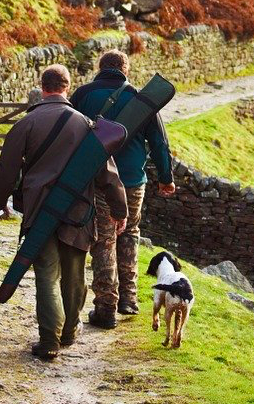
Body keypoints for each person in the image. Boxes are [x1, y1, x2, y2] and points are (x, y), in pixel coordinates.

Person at [0, 64, 128, 360]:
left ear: (43, 87)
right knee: (75, 276)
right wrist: (120, 210)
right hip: (78, 212)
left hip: (39, 211)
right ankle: (68, 332)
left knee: (46, 275)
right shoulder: (87, 125)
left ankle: (49, 340)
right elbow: (108, 174)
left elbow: (7, 169)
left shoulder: (26, 123)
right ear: (67, 87)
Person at [69, 50, 175, 328]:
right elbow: (160, 143)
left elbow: (68, 134)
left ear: (100, 67)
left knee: (104, 239)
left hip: (97, 179)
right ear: (125, 70)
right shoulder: (141, 100)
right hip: (132, 180)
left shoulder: (82, 95)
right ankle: (128, 298)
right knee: (129, 234)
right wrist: (166, 178)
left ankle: (106, 306)